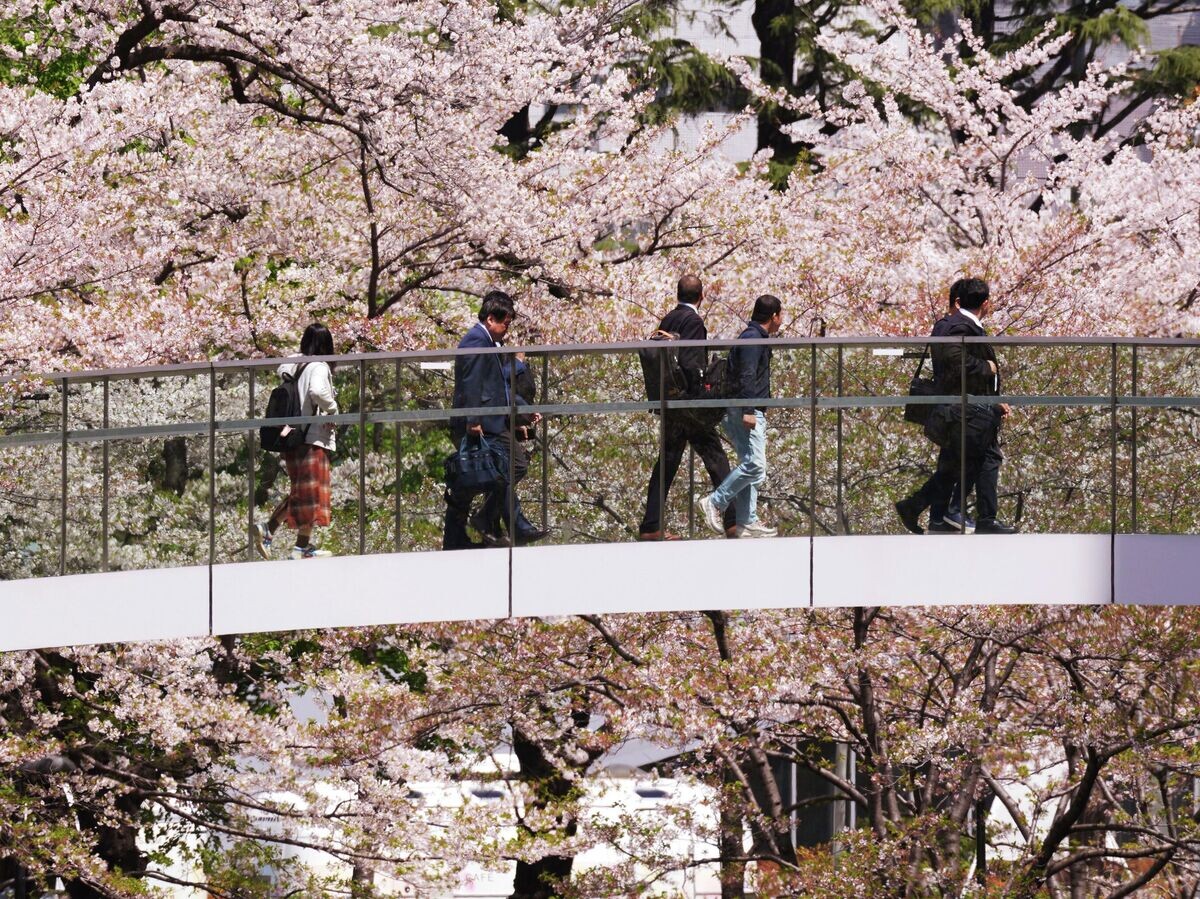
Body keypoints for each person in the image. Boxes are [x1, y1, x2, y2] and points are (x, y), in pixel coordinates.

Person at [443, 291, 547, 549]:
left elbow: (496, 385)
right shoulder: (476, 342)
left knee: (480, 478)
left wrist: (521, 412)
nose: (506, 330)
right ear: (491, 318)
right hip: (482, 424)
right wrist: (473, 420)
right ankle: (503, 522)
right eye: (505, 324)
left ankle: (467, 531)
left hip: (487, 421)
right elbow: (472, 383)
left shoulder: (484, 341)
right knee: (512, 466)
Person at [638, 274, 737, 541]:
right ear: (701, 296)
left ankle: (651, 525)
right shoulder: (693, 321)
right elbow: (692, 363)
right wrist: (700, 397)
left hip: (669, 402)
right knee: (716, 457)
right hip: (688, 404)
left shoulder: (668, 319)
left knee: (668, 462)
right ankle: (734, 521)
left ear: (677, 294)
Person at [927, 278, 1017, 535]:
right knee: (973, 459)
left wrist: (994, 399)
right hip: (968, 409)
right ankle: (955, 514)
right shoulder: (958, 326)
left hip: (975, 406)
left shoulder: (959, 325)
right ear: (986, 303)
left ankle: (952, 517)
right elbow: (955, 361)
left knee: (979, 458)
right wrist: (987, 369)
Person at [698, 295, 782, 538]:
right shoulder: (753, 339)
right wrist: (748, 409)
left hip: (742, 407)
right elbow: (747, 375)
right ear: (773, 316)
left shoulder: (751, 337)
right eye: (780, 316)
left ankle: (747, 520)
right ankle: (715, 502)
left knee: (750, 463)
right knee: (755, 465)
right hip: (745, 409)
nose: (781, 321)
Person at [254, 323, 339, 559]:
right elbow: (318, 393)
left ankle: (281, 536)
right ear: (327, 346)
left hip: (291, 436)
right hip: (312, 438)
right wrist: (333, 410)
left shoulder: (292, 364)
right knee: (310, 493)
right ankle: (296, 545)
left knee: (302, 492)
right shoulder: (319, 366)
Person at [895, 281, 965, 534]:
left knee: (951, 465)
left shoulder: (942, 327)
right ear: (958, 303)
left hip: (948, 405)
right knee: (957, 464)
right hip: (952, 406)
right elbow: (953, 366)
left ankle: (931, 514)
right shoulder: (950, 328)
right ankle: (921, 508)